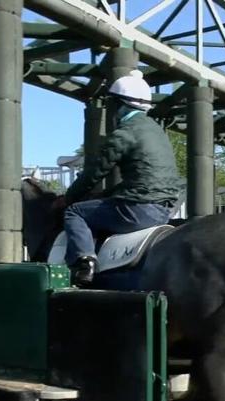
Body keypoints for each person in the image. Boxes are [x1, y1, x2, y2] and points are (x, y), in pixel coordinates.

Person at [54, 69, 183, 287]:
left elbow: (94, 172)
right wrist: (105, 195)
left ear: (119, 104)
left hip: (138, 210)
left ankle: (85, 261)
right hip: (164, 210)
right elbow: (143, 179)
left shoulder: (125, 133)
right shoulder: (156, 131)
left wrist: (69, 197)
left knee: (75, 212)